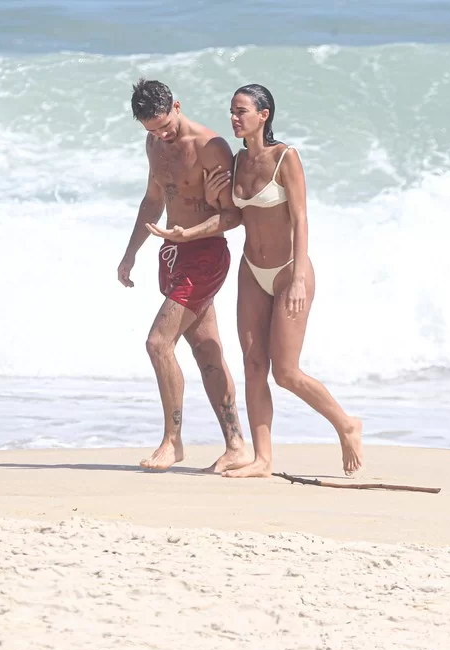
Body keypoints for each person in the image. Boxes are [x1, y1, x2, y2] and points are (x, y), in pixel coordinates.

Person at [146, 83, 364, 478]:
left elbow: (300, 220)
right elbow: (230, 215)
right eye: (231, 110)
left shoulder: (286, 158)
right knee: (252, 365)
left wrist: (298, 277)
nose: (234, 117)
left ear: (263, 115)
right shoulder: (237, 162)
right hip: (251, 268)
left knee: (286, 372)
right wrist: (211, 203)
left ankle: (346, 424)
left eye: (242, 111)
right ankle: (261, 459)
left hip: (287, 271)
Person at [118, 78, 250, 473]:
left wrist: (189, 233)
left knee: (158, 343)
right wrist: (130, 254)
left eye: (165, 125)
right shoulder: (154, 145)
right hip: (172, 254)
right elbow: (154, 200)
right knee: (207, 351)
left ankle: (172, 442)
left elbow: (232, 217)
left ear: (177, 105)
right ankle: (237, 445)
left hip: (205, 255)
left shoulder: (210, 147)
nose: (162, 135)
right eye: (152, 130)